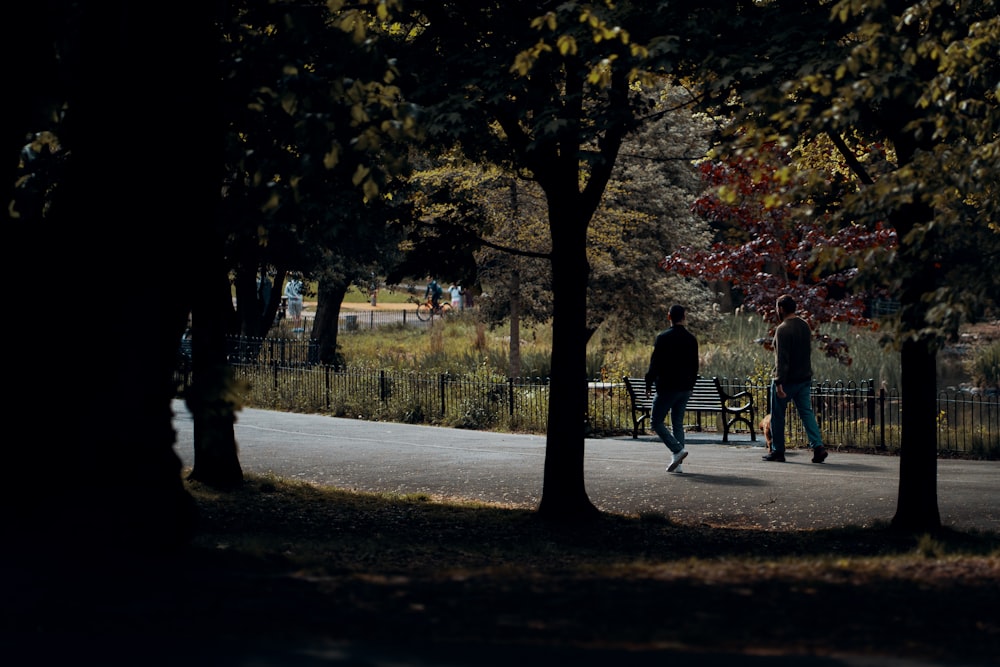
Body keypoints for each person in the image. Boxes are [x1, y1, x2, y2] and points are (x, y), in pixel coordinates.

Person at [763, 295, 828, 463]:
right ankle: (818, 446)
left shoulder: (783, 329)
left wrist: (778, 382)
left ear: (782, 309)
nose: (776, 311)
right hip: (804, 378)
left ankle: (778, 451)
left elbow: (782, 359)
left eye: (777, 308)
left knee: (778, 416)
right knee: (807, 413)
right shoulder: (804, 325)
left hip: (787, 381)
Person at [644, 304, 699, 473]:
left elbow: (655, 364)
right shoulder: (691, 339)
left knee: (656, 422)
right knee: (677, 423)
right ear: (684, 317)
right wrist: (691, 385)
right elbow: (695, 365)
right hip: (685, 388)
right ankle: (678, 464)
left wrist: (648, 383)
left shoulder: (663, 338)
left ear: (669, 317)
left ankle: (677, 450)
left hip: (667, 387)